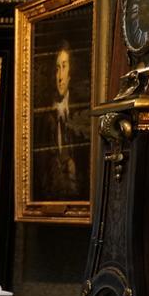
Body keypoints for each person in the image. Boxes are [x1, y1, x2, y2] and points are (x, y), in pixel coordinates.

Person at [32, 41, 88, 201]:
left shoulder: (82, 110)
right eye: (57, 69)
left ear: (71, 72)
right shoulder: (43, 117)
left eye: (64, 66)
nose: (60, 77)